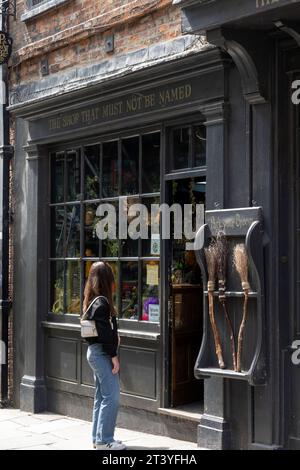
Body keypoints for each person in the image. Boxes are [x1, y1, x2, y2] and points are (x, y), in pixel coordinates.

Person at [83, 261, 126, 450]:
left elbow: (98, 331)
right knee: (112, 396)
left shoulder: (92, 300)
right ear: (107, 279)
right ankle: (105, 441)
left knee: (101, 396)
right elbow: (104, 333)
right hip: (101, 354)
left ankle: (98, 438)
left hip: (95, 353)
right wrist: (114, 355)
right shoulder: (102, 303)